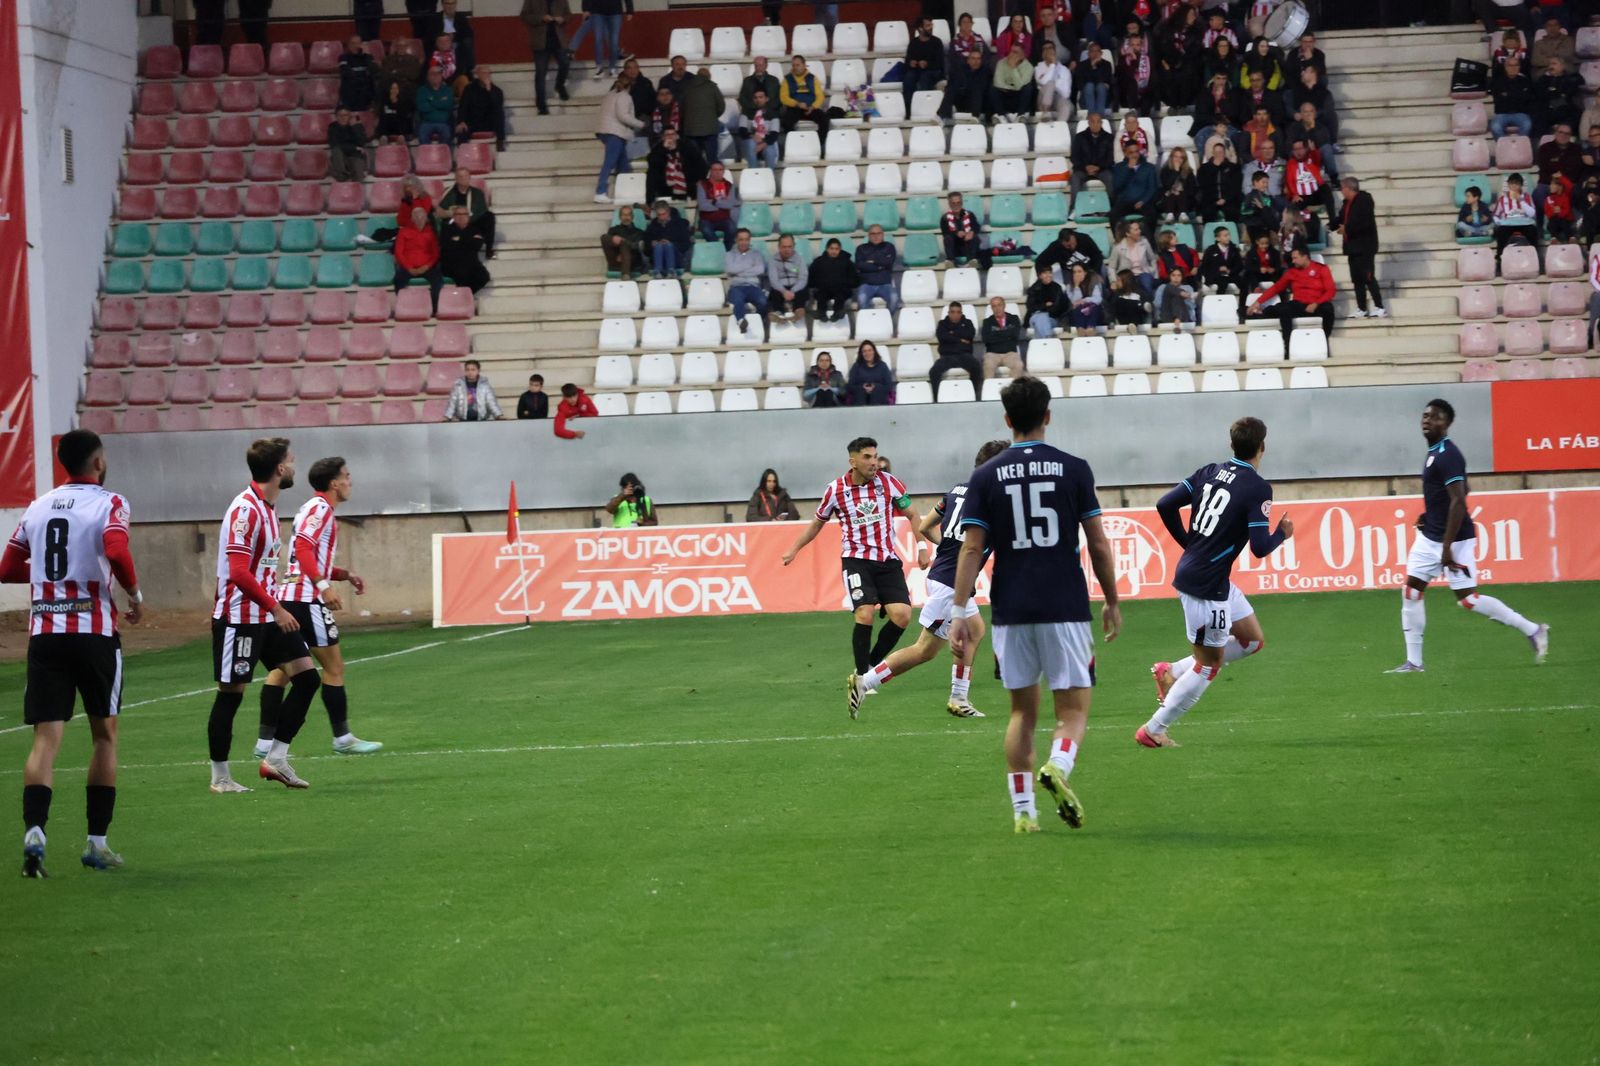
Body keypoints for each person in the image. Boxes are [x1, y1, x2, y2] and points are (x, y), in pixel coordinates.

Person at [947, 376, 1121, 833]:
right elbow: (1098, 544)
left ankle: (1024, 813)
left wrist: (959, 611)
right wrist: (1112, 599)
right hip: (1064, 605)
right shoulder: (1074, 468)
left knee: (1022, 713)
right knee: (1073, 711)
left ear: (1007, 420)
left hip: (1011, 608)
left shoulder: (985, 475)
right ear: (1047, 415)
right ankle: (1057, 767)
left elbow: (971, 548)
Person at [2, 431, 142, 876]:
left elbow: (7, 568)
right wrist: (135, 594)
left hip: (46, 633)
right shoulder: (110, 503)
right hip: (93, 632)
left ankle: (35, 833)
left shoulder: (38, 506)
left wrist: (46, 573)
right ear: (98, 462)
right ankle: (96, 844)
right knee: (105, 735)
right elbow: (116, 549)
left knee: (45, 738)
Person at [1136, 417, 1294, 748]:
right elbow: (1260, 547)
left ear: (1231, 444)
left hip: (1211, 579)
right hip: (1206, 587)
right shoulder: (1257, 488)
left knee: (1251, 641)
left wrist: (1188, 543)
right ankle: (1153, 730)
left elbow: (1165, 504)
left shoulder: (1209, 471)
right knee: (1209, 665)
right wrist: (1282, 533)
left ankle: (1170, 671)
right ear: (1262, 447)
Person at [850, 439, 1012, 719]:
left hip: (946, 576)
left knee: (975, 630)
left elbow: (925, 526)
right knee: (924, 650)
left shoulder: (957, 491)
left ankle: (959, 697)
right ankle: (865, 681)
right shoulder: (994, 501)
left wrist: (948, 547)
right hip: (952, 583)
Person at [1389, 399, 1549, 675]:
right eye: (1425, 416)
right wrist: (1430, 516)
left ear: (1447, 423)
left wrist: (1447, 546)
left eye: (1435, 417)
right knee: (1411, 591)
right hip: (1430, 537)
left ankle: (1533, 630)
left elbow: (1459, 500)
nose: (1427, 420)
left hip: (1455, 540)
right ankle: (1414, 663)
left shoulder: (1448, 454)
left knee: (1468, 600)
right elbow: (1462, 489)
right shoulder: (1434, 452)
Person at [206, 438, 319, 793]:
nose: (295, 465)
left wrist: (273, 607)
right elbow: (238, 572)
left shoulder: (268, 507)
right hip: (238, 618)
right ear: (280, 469)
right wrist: (277, 607)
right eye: (291, 460)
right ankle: (220, 777)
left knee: (307, 678)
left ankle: (276, 758)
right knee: (230, 695)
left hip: (267, 616)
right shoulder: (246, 510)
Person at [251, 457, 381, 764]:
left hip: (289, 598)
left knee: (282, 672)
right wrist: (323, 587)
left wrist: (343, 575)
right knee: (334, 668)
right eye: (346, 476)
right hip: (307, 601)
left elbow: (305, 558)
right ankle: (342, 738)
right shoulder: (321, 509)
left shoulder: (311, 509)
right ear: (334, 483)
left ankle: (264, 742)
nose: (350, 481)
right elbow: (304, 550)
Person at [782, 437, 922, 683]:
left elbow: (912, 514)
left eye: (875, 456)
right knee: (864, 613)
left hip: (887, 560)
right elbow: (817, 523)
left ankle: (871, 667)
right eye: (867, 457)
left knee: (902, 615)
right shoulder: (835, 490)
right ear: (853, 462)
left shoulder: (889, 483)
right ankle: (862, 677)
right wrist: (794, 549)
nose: (874, 462)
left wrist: (922, 547)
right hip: (856, 561)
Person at [1247, 245, 1335, 341]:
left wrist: (1316, 304)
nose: (1293, 261)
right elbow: (1276, 287)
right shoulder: (1292, 272)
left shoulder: (1321, 269)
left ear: (1305, 257)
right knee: (1283, 309)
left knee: (1328, 309)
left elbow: (1331, 291)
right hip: (1299, 304)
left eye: (1295, 258)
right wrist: (1258, 302)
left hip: (1317, 304)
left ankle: (1325, 338)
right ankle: (1287, 341)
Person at [1331, 176, 1386, 318]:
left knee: (1368, 276)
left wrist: (1347, 229)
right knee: (1356, 279)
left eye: (1342, 188)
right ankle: (1362, 308)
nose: (1341, 191)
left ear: (1349, 188)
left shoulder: (1364, 200)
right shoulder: (1346, 203)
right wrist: (1329, 227)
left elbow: (1364, 222)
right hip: (1352, 247)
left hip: (1365, 246)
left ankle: (1380, 306)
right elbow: (1341, 218)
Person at [520, 0, 571, 116]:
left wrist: (563, 19)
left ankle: (559, 85)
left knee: (565, 63)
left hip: (558, 39)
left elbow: (568, 14)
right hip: (540, 41)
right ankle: (541, 105)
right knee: (540, 73)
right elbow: (524, 16)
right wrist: (541, 18)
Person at [393, 206, 444, 314]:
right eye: (416, 216)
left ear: (426, 218)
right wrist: (409, 268)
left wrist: (426, 266)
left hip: (427, 267)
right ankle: (404, 308)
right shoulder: (403, 232)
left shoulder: (432, 232)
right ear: (412, 218)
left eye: (421, 216)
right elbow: (398, 252)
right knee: (398, 281)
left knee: (438, 282)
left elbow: (435, 254)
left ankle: (434, 309)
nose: (419, 219)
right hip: (408, 267)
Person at [439, 166, 496, 259]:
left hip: (472, 223)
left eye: (465, 176)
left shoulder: (477, 193)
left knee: (489, 216)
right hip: (454, 223)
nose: (463, 179)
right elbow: (440, 210)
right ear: (456, 178)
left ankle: (489, 249)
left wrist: (466, 219)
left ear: (469, 178)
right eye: (460, 176)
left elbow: (482, 211)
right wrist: (451, 214)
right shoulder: (448, 192)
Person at [932, 301, 980, 402]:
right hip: (947, 356)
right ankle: (937, 400)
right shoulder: (942, 324)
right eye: (953, 312)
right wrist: (960, 339)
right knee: (933, 371)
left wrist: (951, 334)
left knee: (977, 368)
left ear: (961, 313)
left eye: (958, 312)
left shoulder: (968, 323)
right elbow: (942, 337)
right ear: (949, 313)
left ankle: (974, 396)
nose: (955, 315)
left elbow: (970, 335)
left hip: (964, 355)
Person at [725, 227, 769, 337]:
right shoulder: (730, 255)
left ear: (749, 240)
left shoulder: (757, 254)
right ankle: (741, 321)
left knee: (763, 302)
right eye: (741, 239)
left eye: (746, 239)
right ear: (736, 240)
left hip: (753, 286)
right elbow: (730, 269)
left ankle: (759, 321)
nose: (744, 242)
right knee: (738, 300)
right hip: (737, 287)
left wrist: (738, 272)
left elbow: (760, 270)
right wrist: (750, 266)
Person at [646, 127, 707, 203]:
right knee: (651, 173)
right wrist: (664, 149)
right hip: (665, 185)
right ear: (663, 137)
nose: (670, 137)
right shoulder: (658, 149)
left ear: (676, 136)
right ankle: (650, 202)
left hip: (687, 183)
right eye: (667, 135)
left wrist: (700, 180)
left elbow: (701, 164)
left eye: (673, 134)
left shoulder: (686, 146)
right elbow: (652, 163)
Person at [439, 204, 490, 292]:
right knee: (461, 273)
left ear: (468, 217)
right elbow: (447, 246)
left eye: (464, 214)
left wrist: (459, 239)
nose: (461, 217)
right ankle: (462, 295)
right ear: (454, 217)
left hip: (471, 263)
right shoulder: (446, 229)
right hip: (452, 263)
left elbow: (477, 245)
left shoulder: (474, 229)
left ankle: (467, 294)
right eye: (458, 214)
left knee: (483, 276)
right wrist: (469, 240)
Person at [681, 67, 726, 165]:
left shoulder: (686, 86)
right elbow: (721, 106)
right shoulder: (712, 87)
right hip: (710, 129)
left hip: (691, 130)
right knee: (712, 159)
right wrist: (713, 116)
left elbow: (681, 107)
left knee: (694, 161)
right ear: (709, 76)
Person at [1492, 172, 1541, 262]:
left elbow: (1532, 213)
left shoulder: (1526, 197)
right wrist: (1499, 222)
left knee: (1532, 231)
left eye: (1516, 184)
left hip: (1524, 223)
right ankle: (1499, 256)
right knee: (1501, 232)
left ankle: (1535, 256)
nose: (1514, 186)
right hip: (1508, 224)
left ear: (1521, 185)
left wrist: (1521, 201)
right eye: (1511, 183)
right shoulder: (1502, 199)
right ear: (1508, 185)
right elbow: (1495, 215)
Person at [458, 65, 508, 150]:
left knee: (499, 113)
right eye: (483, 73)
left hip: (488, 122)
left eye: (488, 73)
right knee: (462, 129)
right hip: (473, 121)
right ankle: (462, 153)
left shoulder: (497, 91)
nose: (486, 76)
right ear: (478, 74)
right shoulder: (469, 88)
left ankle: (500, 142)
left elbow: (497, 106)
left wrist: (489, 91)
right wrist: (461, 121)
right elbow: (463, 106)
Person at [779, 55, 830, 139]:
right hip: (794, 109)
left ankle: (819, 142)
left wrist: (813, 107)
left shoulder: (812, 78)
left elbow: (820, 96)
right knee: (786, 122)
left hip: (811, 108)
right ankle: (794, 142)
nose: (795, 67)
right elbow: (783, 98)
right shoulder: (787, 79)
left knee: (824, 119)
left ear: (804, 65)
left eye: (798, 65)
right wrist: (797, 104)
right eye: (793, 65)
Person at [809, 239, 858, 322]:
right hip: (824, 289)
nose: (834, 251)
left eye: (836, 249)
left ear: (840, 249)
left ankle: (838, 313)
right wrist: (816, 285)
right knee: (821, 295)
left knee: (840, 295)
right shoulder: (819, 261)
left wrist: (846, 284)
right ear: (827, 249)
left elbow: (854, 277)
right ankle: (821, 313)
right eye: (831, 248)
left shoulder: (847, 262)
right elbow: (811, 276)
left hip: (841, 289)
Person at [1111, 144, 1158, 230]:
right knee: (1114, 215)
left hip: (1142, 202)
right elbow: (1117, 186)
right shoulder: (1119, 167)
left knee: (1152, 215)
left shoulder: (1149, 167)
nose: (1134, 155)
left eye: (1136, 151)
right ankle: (1119, 237)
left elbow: (1152, 188)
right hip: (1124, 202)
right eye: (1131, 152)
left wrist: (1143, 201)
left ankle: (1148, 237)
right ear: (1125, 153)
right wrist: (1128, 169)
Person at [854, 225, 900, 313]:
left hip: (885, 284)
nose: (876, 236)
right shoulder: (861, 249)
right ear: (868, 235)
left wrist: (872, 261)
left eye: (878, 233)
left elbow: (889, 262)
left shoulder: (889, 247)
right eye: (873, 234)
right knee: (861, 298)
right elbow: (860, 265)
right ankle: (867, 320)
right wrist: (880, 266)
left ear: (883, 234)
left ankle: (888, 319)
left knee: (894, 298)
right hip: (867, 284)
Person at [1108, 218, 1159, 298]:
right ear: (1128, 233)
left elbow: (1152, 259)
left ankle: (1148, 302)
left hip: (1143, 273)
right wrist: (1113, 281)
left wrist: (1154, 274)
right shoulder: (1118, 247)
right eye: (1136, 230)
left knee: (1146, 281)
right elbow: (1111, 267)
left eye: (1139, 229)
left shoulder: (1144, 242)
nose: (1139, 231)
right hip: (1127, 276)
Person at [1036, 226, 1104, 285]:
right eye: (1068, 246)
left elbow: (1097, 255)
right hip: (1069, 272)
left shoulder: (1085, 239)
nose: (1072, 247)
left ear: (1075, 236)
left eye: (1074, 244)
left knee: (1098, 279)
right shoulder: (1055, 247)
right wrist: (1043, 277)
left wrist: (1096, 272)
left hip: (1089, 269)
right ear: (1061, 243)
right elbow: (1040, 262)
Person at [940, 49, 994, 121]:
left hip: (981, 101)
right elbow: (955, 85)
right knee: (951, 90)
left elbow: (988, 88)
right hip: (963, 99)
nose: (976, 61)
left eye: (978, 59)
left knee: (977, 90)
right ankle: (944, 118)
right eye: (973, 58)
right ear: (968, 60)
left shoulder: (986, 71)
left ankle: (974, 119)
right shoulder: (960, 70)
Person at [903, 17, 945, 110]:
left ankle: (923, 108)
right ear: (920, 28)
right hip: (916, 71)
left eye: (931, 25)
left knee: (925, 77)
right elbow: (907, 62)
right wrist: (911, 63)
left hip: (933, 71)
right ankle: (909, 109)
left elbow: (940, 63)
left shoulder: (937, 42)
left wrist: (927, 64)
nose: (931, 27)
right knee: (908, 77)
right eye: (928, 25)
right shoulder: (913, 43)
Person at [695, 162, 741, 247]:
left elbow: (729, 205)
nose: (717, 172)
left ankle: (727, 250)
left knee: (732, 228)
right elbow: (702, 206)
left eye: (720, 170)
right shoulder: (702, 184)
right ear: (710, 171)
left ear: (723, 171)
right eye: (715, 169)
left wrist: (714, 201)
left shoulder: (729, 186)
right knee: (706, 231)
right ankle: (719, 249)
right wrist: (721, 205)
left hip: (724, 218)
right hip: (706, 219)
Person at [1490, 54, 1536, 138]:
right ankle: (1505, 145)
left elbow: (1527, 99)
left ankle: (1519, 145)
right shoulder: (1498, 82)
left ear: (1519, 67)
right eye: (1510, 65)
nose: (1513, 68)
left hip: (1521, 114)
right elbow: (1499, 101)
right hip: (1502, 114)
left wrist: (1508, 95)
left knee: (1527, 125)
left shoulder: (1525, 81)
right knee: (1495, 127)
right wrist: (1518, 95)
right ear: (1505, 67)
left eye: (1516, 65)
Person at [1070, 110, 1114, 199]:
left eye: (1098, 122)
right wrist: (1085, 167)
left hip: (1102, 169)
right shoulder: (1079, 137)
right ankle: (1074, 206)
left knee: (1110, 178)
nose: (1095, 124)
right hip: (1082, 170)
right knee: (1075, 179)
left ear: (1101, 123)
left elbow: (1110, 158)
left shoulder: (1109, 137)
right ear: (1089, 123)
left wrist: (1098, 167)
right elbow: (1074, 157)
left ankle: (1112, 205)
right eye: (1093, 122)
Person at [981, 296, 1027, 380]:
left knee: (1018, 365)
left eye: (999, 305)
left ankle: (1013, 387)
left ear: (1004, 306)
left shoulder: (1014, 319)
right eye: (994, 306)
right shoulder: (987, 322)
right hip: (992, 354)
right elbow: (986, 339)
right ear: (991, 308)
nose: (997, 308)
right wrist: (1007, 334)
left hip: (1010, 353)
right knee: (988, 365)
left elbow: (1015, 335)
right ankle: (989, 388)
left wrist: (996, 333)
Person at [734, 87, 780, 169]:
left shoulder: (773, 114)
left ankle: (770, 174)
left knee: (770, 151)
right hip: (750, 140)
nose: (758, 100)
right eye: (755, 98)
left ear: (766, 99)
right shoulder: (746, 112)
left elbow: (774, 134)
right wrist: (752, 136)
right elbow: (742, 130)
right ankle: (753, 171)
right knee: (751, 144)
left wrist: (763, 144)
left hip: (766, 141)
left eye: (761, 97)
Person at [644, 199, 692, 277]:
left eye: (663, 214)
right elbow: (646, 250)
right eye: (659, 215)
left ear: (668, 212)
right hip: (657, 257)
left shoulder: (680, 224)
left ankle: (671, 271)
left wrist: (672, 244)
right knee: (659, 246)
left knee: (668, 245)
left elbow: (686, 244)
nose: (661, 217)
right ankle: (658, 271)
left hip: (677, 258)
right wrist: (651, 244)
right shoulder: (652, 227)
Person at [768, 233, 809, 322]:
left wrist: (793, 291)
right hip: (781, 287)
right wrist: (783, 291)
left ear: (794, 246)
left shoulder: (799, 259)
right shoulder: (773, 260)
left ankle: (798, 312)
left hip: (796, 286)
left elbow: (803, 278)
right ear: (779, 247)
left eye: (790, 247)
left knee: (802, 292)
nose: (787, 250)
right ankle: (779, 314)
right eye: (784, 247)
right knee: (774, 293)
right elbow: (773, 280)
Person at [1198, 140, 1242, 220]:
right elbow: (1203, 187)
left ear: (1224, 153)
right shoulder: (1204, 169)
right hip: (1211, 200)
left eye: (1220, 152)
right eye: (1216, 152)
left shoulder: (1234, 168)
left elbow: (1236, 187)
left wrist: (1225, 199)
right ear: (1213, 153)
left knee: (1232, 212)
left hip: (1229, 200)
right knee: (1208, 211)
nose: (1218, 155)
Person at [991, 44, 1036, 121]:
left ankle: (1020, 115)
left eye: (1015, 52)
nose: (1011, 54)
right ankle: (1001, 115)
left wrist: (1013, 68)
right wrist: (1012, 87)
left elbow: (1020, 86)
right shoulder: (1001, 63)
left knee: (1028, 88)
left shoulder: (1029, 67)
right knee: (992, 88)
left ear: (1022, 55)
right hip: (1005, 95)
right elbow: (998, 83)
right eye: (1011, 51)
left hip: (1018, 97)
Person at [413, 66, 455, 145]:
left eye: (438, 73)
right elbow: (422, 107)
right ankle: (426, 154)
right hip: (426, 123)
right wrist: (440, 102)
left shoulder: (448, 90)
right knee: (422, 135)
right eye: (432, 74)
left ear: (441, 76)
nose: (435, 76)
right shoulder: (422, 90)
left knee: (447, 135)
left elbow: (448, 104)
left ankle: (444, 154)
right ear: (428, 77)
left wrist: (431, 101)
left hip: (444, 123)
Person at [327, 107, 370, 183]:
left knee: (358, 176)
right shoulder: (333, 127)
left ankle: (355, 184)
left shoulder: (357, 126)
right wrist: (354, 148)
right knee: (336, 150)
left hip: (355, 156)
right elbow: (335, 144)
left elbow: (362, 143)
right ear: (336, 117)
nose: (343, 118)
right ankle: (342, 177)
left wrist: (355, 127)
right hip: (341, 157)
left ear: (350, 116)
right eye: (340, 115)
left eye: (345, 115)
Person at [338, 34, 378, 113]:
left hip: (366, 95)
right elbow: (347, 73)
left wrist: (366, 56)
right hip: (350, 95)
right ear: (348, 45)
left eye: (358, 43)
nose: (355, 46)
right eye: (353, 43)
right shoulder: (343, 57)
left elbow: (374, 71)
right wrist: (362, 78)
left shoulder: (368, 57)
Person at [603, 203, 646, 277]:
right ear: (620, 217)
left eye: (628, 215)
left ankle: (626, 275)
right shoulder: (613, 230)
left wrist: (623, 242)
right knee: (604, 237)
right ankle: (625, 274)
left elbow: (638, 249)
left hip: (632, 262)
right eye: (624, 215)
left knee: (624, 244)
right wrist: (619, 253)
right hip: (616, 260)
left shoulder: (639, 232)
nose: (626, 217)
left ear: (632, 217)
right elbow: (609, 247)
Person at [846, 341, 895, 405]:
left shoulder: (882, 366)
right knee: (860, 392)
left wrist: (875, 386)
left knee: (877, 391)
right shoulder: (856, 366)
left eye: (869, 350)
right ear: (861, 353)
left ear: (874, 351)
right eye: (864, 351)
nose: (867, 353)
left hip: (879, 397)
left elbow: (889, 385)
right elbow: (850, 386)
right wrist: (862, 387)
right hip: (860, 397)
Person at [1157, 146, 1197, 222]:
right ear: (1171, 158)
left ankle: (1182, 214)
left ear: (1184, 160)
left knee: (1180, 193)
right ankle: (1170, 215)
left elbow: (1192, 189)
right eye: (1175, 157)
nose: (1178, 160)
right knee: (1171, 193)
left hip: (1185, 200)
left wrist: (1181, 190)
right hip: (1168, 200)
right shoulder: (1165, 171)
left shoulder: (1188, 172)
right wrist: (1176, 171)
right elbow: (1166, 186)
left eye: (1181, 157)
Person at [940, 192, 982, 265]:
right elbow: (945, 232)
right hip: (954, 248)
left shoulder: (969, 214)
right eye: (953, 203)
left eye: (958, 203)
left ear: (962, 203)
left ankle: (972, 260)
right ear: (949, 204)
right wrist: (956, 233)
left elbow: (976, 226)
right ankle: (951, 261)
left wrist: (971, 232)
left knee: (975, 237)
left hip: (968, 246)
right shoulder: (945, 218)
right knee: (948, 238)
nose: (956, 205)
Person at [1034, 42, 1073, 121]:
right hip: (1043, 100)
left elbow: (1066, 94)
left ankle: (1059, 127)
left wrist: (1054, 88)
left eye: (1050, 48)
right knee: (1050, 84)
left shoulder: (1064, 70)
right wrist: (1052, 66)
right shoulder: (1038, 68)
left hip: (1058, 98)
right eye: (1044, 49)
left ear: (1055, 51)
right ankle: (1045, 112)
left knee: (1067, 106)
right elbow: (1043, 83)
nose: (1047, 51)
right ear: (1042, 53)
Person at [1201, 224, 1244, 294]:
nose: (1228, 237)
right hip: (1216, 276)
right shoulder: (1210, 250)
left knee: (1244, 283)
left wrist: (1229, 271)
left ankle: (1243, 301)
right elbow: (1205, 267)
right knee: (1223, 283)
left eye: (1229, 235)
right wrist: (1218, 269)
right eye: (1225, 236)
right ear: (1217, 238)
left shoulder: (1234, 249)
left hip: (1231, 275)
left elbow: (1239, 265)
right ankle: (1219, 300)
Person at [1025, 262, 1064, 339]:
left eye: (1050, 273)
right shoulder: (1034, 289)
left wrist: (1041, 308)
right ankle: (1047, 339)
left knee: (1042, 318)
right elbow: (1030, 307)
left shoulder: (1057, 288)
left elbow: (1058, 307)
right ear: (1040, 275)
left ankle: (1044, 341)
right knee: (1041, 317)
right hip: (1034, 317)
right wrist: (1045, 305)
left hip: (1051, 318)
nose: (1048, 275)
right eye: (1045, 273)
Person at [1063, 262, 1104, 333]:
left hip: (1093, 311)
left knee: (1094, 307)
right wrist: (1076, 286)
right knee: (1077, 308)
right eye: (1074, 272)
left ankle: (1090, 329)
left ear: (1085, 272)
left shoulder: (1094, 281)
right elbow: (1075, 302)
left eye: (1079, 271)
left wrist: (1084, 300)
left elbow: (1098, 299)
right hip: (1078, 313)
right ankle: (1080, 329)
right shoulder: (1070, 286)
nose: (1077, 274)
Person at [1077, 42, 1114, 117]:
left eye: (1097, 51)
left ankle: (1099, 117)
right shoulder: (1082, 65)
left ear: (1101, 53)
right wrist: (1092, 66)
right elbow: (1080, 84)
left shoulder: (1107, 65)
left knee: (1100, 86)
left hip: (1104, 100)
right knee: (1089, 85)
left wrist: (1094, 68)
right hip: (1086, 99)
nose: (1095, 53)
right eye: (1092, 51)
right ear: (1088, 54)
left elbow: (1104, 80)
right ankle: (1093, 116)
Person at [440, 0, 477, 76]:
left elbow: (468, 34)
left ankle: (469, 70)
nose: (450, 6)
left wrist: (454, 36)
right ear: (442, 4)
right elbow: (431, 33)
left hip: (456, 43)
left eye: (452, 3)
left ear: (455, 4)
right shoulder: (436, 18)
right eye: (447, 4)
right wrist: (444, 37)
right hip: (441, 43)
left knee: (467, 43)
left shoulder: (461, 18)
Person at [376, 80, 414, 145]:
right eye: (392, 88)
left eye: (396, 88)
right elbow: (382, 118)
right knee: (383, 138)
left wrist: (395, 104)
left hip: (399, 129)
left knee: (401, 138)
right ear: (389, 90)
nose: (394, 90)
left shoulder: (403, 102)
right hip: (386, 129)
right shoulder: (384, 102)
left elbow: (403, 117)